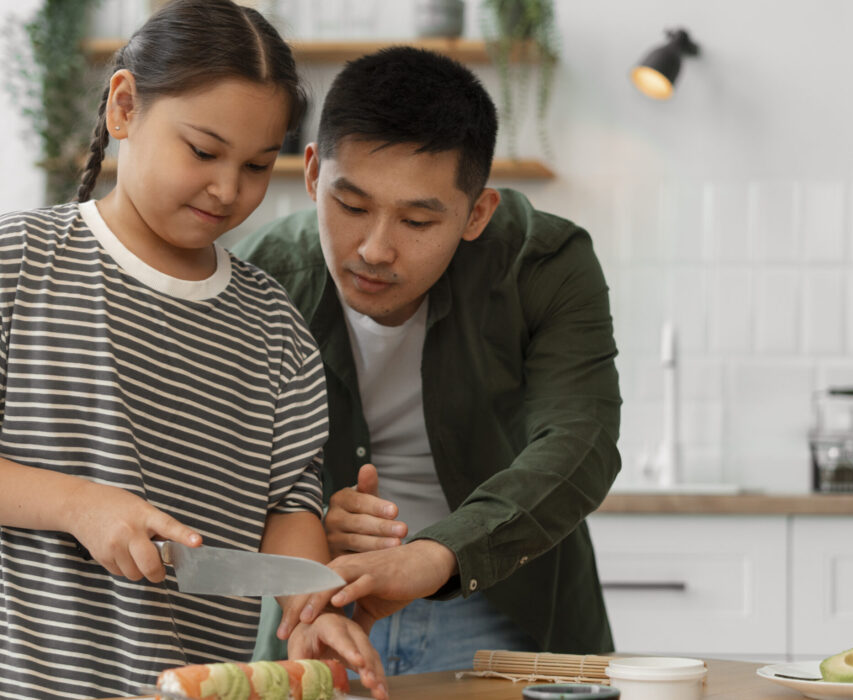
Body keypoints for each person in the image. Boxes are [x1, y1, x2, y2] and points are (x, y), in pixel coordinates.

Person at [0, 2, 387, 698]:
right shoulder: (13, 261)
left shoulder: (273, 329)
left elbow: (287, 506)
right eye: (202, 151)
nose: (228, 189)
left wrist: (309, 608)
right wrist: (79, 504)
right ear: (125, 106)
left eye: (258, 165)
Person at [233, 47, 622, 676]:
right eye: (351, 206)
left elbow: (582, 442)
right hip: (319, 610)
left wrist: (440, 552)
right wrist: (306, 524)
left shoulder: (543, 263)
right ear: (311, 174)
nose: (375, 249)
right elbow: (219, 472)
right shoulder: (257, 282)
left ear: (477, 214)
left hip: (506, 603)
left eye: (417, 220)